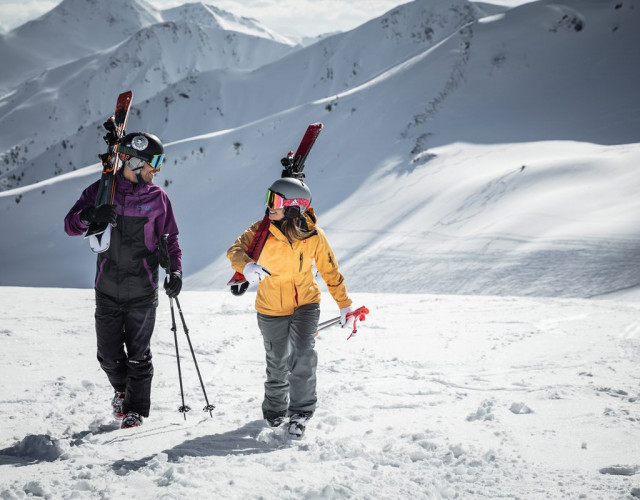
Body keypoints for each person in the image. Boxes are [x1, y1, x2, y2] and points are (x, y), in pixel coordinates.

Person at [64, 131, 183, 429]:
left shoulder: (158, 198)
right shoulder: (102, 190)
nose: (157, 170)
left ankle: (135, 410)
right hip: (107, 287)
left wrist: (175, 270)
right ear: (133, 161)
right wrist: (92, 214)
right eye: (153, 163)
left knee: (139, 355)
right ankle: (121, 389)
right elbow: (70, 226)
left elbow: (170, 239)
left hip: (143, 288)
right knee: (108, 355)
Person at [227, 176, 353, 437]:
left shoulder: (314, 237)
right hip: (270, 308)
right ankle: (274, 412)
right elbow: (235, 250)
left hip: (306, 304)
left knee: (303, 355)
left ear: (294, 207)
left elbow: (330, 271)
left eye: (275, 201)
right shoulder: (260, 232)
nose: (268, 205)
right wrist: (247, 266)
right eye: (268, 198)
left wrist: (344, 305)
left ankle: (301, 412)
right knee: (277, 362)